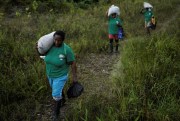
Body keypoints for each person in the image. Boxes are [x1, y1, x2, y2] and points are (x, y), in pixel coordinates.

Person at [36, 30, 78, 120]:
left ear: (63, 40)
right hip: (50, 75)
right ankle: (63, 100)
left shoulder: (66, 49)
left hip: (60, 76)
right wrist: (37, 48)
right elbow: (41, 53)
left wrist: (75, 78)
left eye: (59, 40)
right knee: (57, 90)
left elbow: (73, 63)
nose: (56, 42)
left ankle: (56, 114)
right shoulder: (50, 47)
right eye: (55, 40)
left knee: (55, 95)